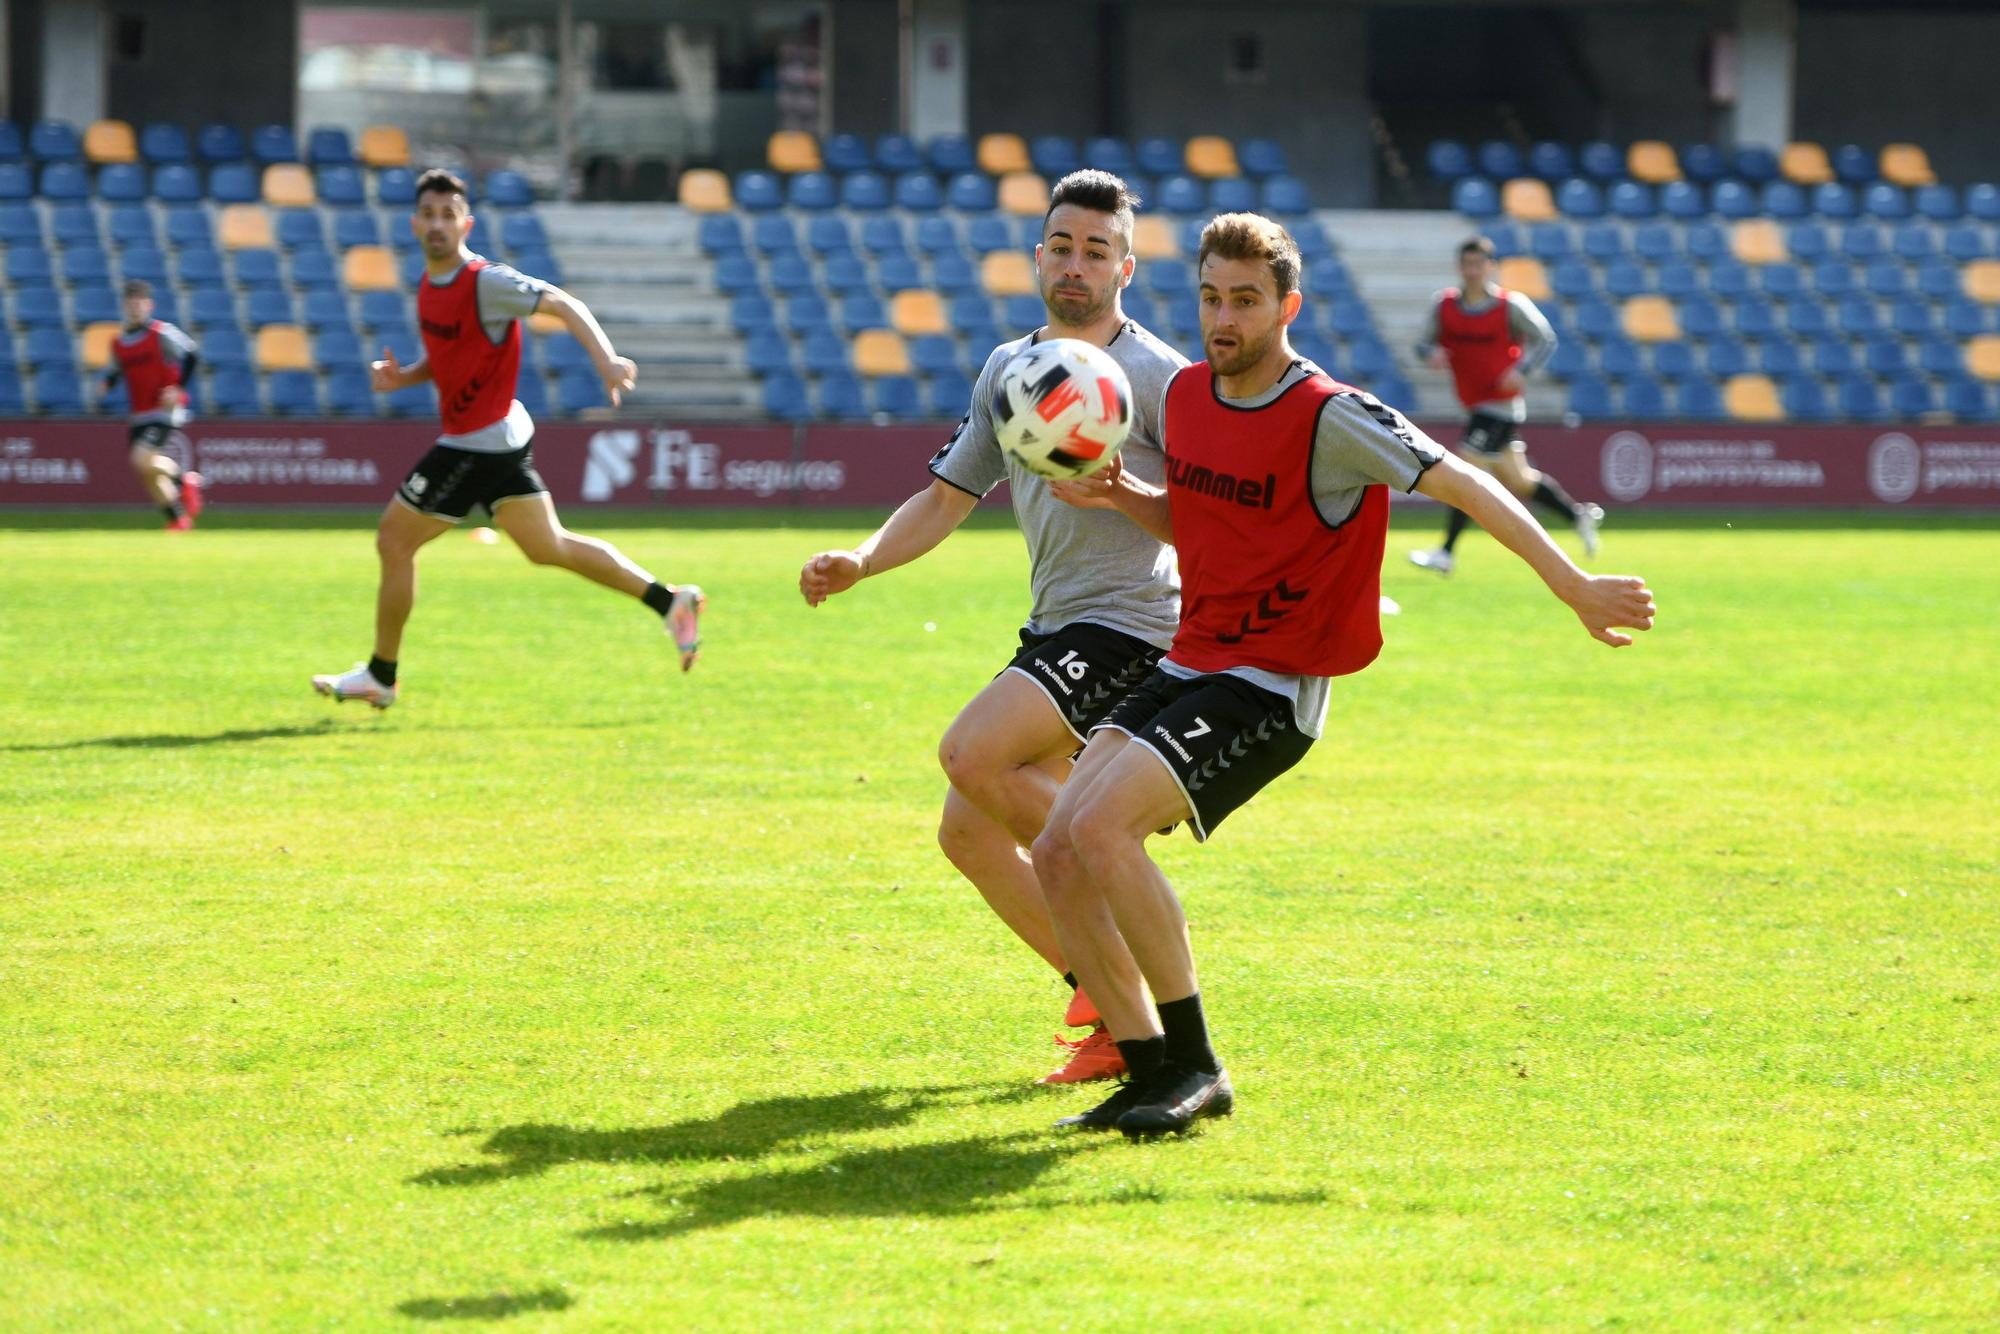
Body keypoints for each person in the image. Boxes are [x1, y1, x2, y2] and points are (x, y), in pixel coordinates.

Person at [1031, 214, 1656, 1138]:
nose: (1224, 319)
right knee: (1056, 843)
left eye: (1246, 301)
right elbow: (1204, 523)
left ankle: (1194, 1064)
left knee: (1104, 828)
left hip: (1273, 682)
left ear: (1288, 307)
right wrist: (1127, 496)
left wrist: (1571, 583)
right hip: (1193, 655)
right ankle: (1146, 1062)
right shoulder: (1193, 399)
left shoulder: (1330, 412)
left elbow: (1463, 482)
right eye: (1211, 298)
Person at [799, 171, 1187, 1084]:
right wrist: (862, 559)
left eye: (1098, 250)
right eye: (1063, 245)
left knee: (972, 754)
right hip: (1057, 626)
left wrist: (1134, 498)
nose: (1077, 264)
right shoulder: (1009, 372)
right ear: (1037, 255)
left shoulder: (1161, 377)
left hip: (1136, 627)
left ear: (1126, 267)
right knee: (967, 836)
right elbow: (944, 498)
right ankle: (1107, 1011)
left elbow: (1211, 514)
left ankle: (1128, 941)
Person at [312, 168, 703, 711]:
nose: (438, 225)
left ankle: (382, 674)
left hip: (478, 440)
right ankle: (670, 602)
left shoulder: (485, 281)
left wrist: (607, 360)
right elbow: (451, 359)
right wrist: (406, 377)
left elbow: (563, 304)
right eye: (429, 215)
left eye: (448, 215)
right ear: (414, 223)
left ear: (465, 222)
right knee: (549, 547)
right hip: (496, 437)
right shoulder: (430, 284)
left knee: (394, 541)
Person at [1407, 235, 1602, 575]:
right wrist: (1431, 354)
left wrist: (1522, 370)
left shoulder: (1510, 305)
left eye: (1478, 264)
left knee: (1464, 472)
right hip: (1474, 403)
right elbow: (1421, 344)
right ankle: (1577, 516)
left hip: (1500, 405)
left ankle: (1446, 553)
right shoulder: (1445, 305)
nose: (1472, 271)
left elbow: (1546, 339)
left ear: (1490, 267)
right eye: (1467, 264)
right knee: (1520, 479)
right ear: (1459, 267)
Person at [100, 279, 203, 530]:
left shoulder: (161, 333)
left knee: (141, 460)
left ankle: (184, 481)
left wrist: (178, 388)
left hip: (163, 409)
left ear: (149, 306)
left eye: (140, 303)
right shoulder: (119, 343)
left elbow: (192, 353)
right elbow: (116, 371)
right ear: (125, 306)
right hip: (139, 413)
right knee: (146, 472)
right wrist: (107, 384)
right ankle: (177, 520)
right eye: (131, 303)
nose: (135, 308)